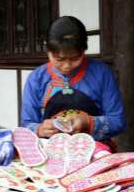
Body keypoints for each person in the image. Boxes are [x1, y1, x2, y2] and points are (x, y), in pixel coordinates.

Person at [21, 16, 125, 146]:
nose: (67, 66)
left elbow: (118, 121)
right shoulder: (36, 79)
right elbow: (26, 125)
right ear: (47, 47)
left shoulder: (102, 73)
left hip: (95, 152)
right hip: (52, 153)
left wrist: (87, 121)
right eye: (59, 59)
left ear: (84, 49)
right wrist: (41, 129)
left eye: (75, 58)